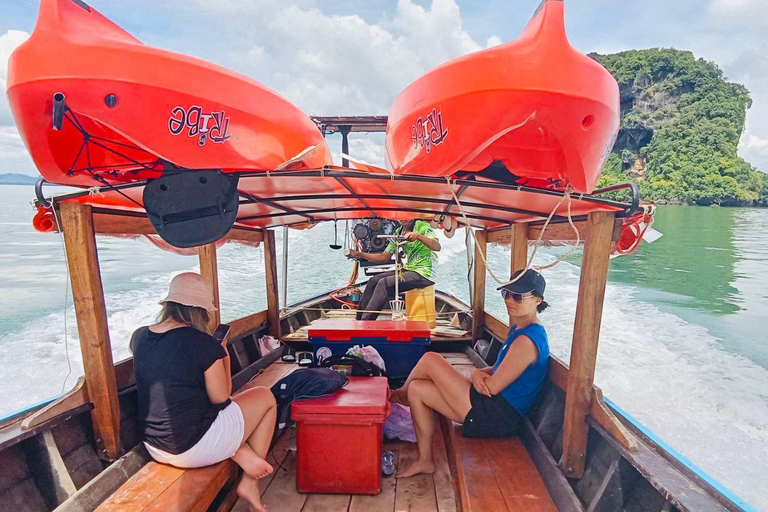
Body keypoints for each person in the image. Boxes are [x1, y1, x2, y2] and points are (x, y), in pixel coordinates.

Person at [130, 272, 275, 512]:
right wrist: (223, 353)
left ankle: (240, 452)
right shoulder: (203, 343)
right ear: (200, 311)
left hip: (155, 445)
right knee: (265, 396)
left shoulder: (139, 337)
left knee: (206, 409)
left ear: (168, 305)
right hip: (192, 448)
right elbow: (221, 397)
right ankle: (249, 483)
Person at [390, 269, 550, 478]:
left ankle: (396, 397)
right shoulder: (519, 329)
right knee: (418, 389)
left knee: (431, 360)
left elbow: (492, 386)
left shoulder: (527, 341)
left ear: (537, 300)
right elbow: (497, 369)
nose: (510, 300)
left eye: (518, 296)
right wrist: (476, 374)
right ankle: (425, 461)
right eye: (506, 294)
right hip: (488, 407)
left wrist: (479, 377)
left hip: (497, 415)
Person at [346, 218, 440, 320]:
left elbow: (437, 246)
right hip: (410, 269)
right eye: (400, 217)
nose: (402, 219)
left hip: (425, 272)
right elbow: (384, 257)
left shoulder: (422, 226)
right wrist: (358, 254)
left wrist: (418, 236)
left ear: (411, 216)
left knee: (384, 284)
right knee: (373, 281)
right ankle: (358, 319)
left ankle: (366, 322)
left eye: (405, 216)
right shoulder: (398, 232)